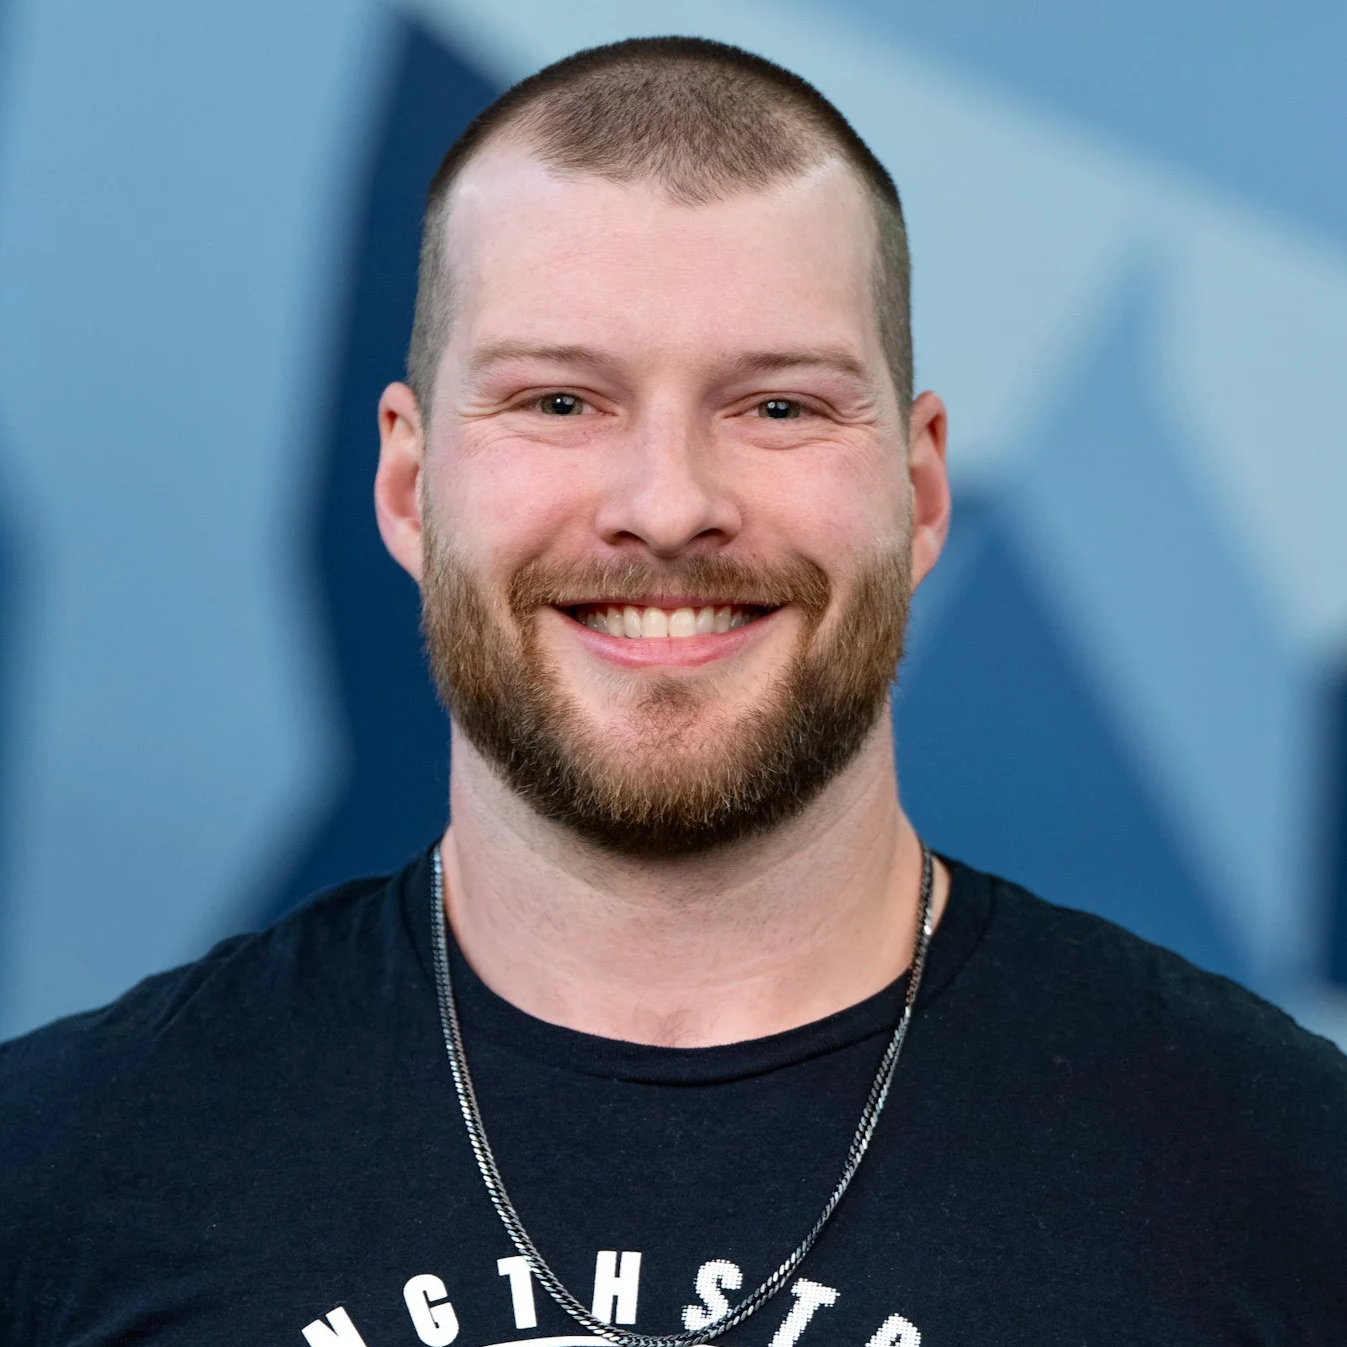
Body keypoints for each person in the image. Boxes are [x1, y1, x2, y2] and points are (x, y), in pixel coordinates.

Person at [3, 35, 1345, 1347]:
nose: (666, 506)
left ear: (918, 489)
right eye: (558, 402)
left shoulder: (1283, 1175)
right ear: (411, 487)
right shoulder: (61, 1174)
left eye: (774, 408)